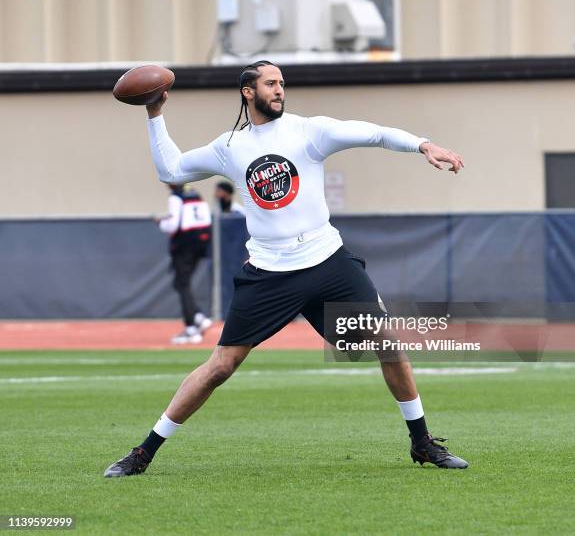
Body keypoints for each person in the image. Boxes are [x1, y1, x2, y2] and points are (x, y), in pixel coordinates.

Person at [104, 60, 468, 477]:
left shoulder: (308, 131)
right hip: (271, 271)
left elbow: (375, 133)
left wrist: (423, 145)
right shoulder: (230, 147)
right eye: (270, 83)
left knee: (388, 344)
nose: (279, 90)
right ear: (248, 91)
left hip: (327, 261)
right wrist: (154, 113)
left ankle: (422, 443)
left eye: (282, 83)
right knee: (221, 366)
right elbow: (170, 170)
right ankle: (143, 453)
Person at [157, 183, 213, 344]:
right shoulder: (195, 193)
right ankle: (197, 317)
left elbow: (173, 225)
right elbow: (205, 219)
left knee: (182, 284)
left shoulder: (176, 197)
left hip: (184, 244)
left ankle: (192, 327)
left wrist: (160, 223)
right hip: (201, 242)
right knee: (181, 283)